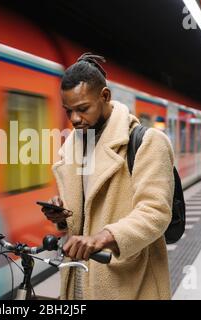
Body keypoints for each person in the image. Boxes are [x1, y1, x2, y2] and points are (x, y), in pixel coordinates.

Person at [42, 53, 175, 300]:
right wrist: (62, 217)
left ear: (105, 96)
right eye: (68, 111)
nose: (74, 119)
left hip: (130, 283)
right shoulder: (74, 148)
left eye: (82, 109)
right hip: (79, 283)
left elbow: (156, 212)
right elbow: (84, 217)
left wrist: (103, 238)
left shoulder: (148, 142)